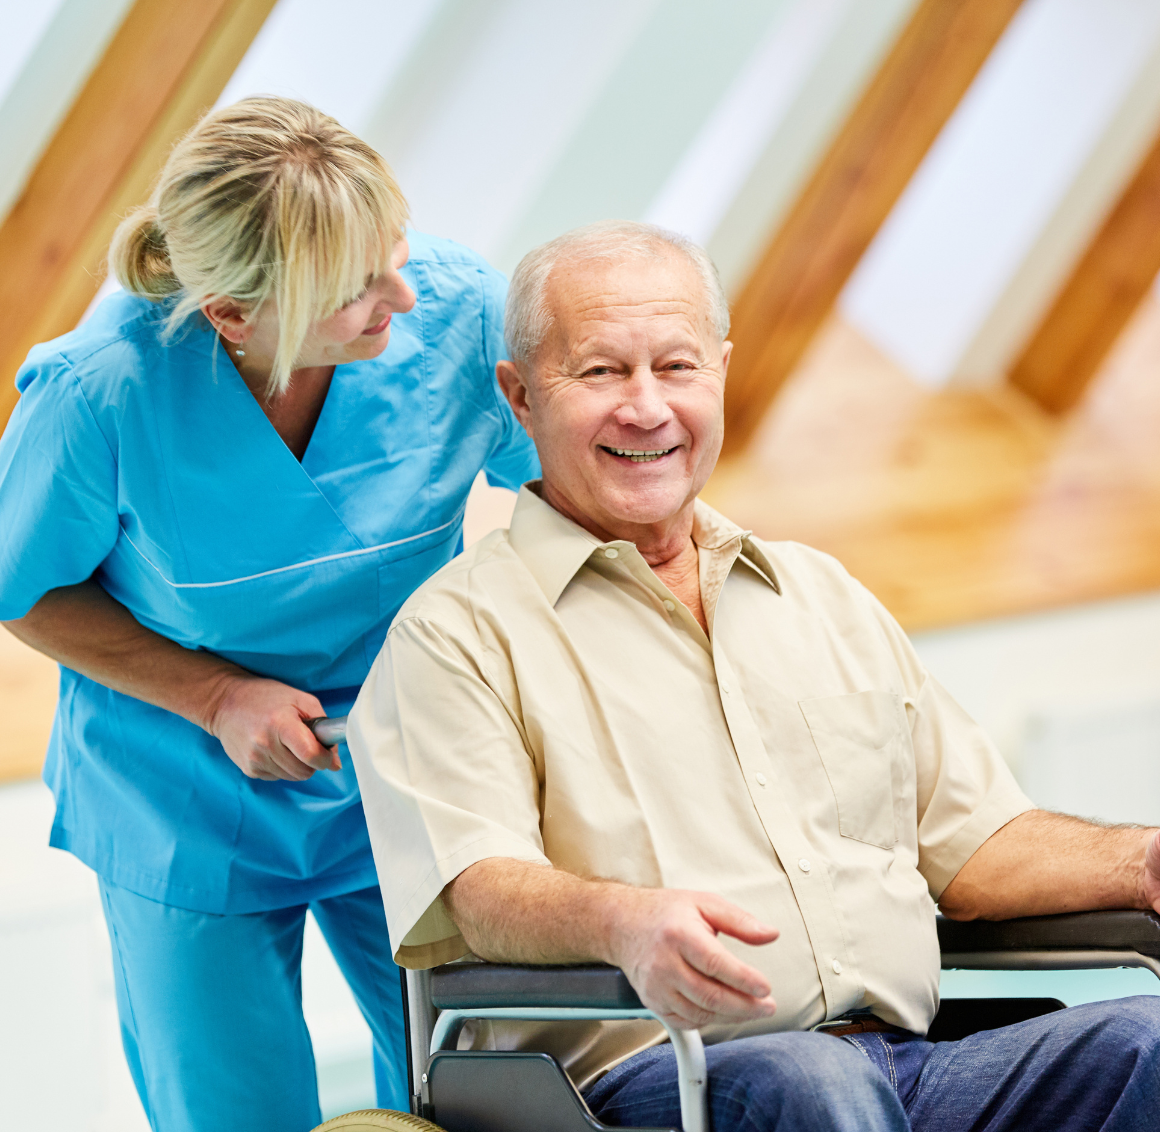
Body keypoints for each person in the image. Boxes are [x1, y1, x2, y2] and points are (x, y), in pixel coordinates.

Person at [348, 220, 1160, 1132]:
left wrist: (1142, 862)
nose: (646, 407)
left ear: (722, 374)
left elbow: (974, 846)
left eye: (677, 367)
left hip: (912, 1063)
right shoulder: (454, 635)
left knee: (1146, 1040)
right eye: (602, 372)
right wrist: (624, 925)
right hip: (648, 1083)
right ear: (522, 397)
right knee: (808, 1084)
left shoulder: (820, 594)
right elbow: (480, 889)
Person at [0, 97, 538, 1132]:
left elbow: (563, 493)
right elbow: (19, 586)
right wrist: (211, 695)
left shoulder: (456, 311)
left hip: (406, 766)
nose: (405, 292)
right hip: (183, 793)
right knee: (233, 1111)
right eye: (358, 287)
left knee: (478, 1087)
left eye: (394, 246)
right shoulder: (104, 390)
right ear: (233, 316)